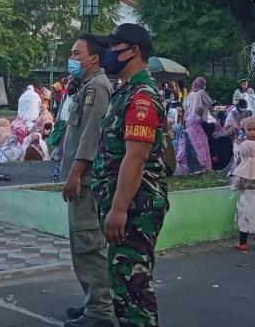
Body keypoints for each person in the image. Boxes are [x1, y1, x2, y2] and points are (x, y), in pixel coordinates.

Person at [88, 23, 169, 327]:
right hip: (128, 204)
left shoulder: (142, 97)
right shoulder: (128, 92)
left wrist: (119, 209)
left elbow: (135, 158)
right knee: (124, 288)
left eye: (113, 47)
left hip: (136, 207)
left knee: (132, 291)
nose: (107, 53)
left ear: (133, 51)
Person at [58, 34, 115, 327]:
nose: (72, 58)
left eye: (76, 53)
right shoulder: (86, 87)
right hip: (80, 179)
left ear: (93, 58)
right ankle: (93, 302)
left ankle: (100, 313)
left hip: (86, 181)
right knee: (82, 245)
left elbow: (90, 137)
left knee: (89, 246)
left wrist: (75, 174)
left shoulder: (97, 88)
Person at [176, 77, 214, 175]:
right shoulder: (202, 92)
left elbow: (185, 105)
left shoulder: (191, 93)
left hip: (190, 120)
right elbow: (209, 102)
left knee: (193, 142)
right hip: (200, 120)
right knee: (202, 142)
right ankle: (203, 164)